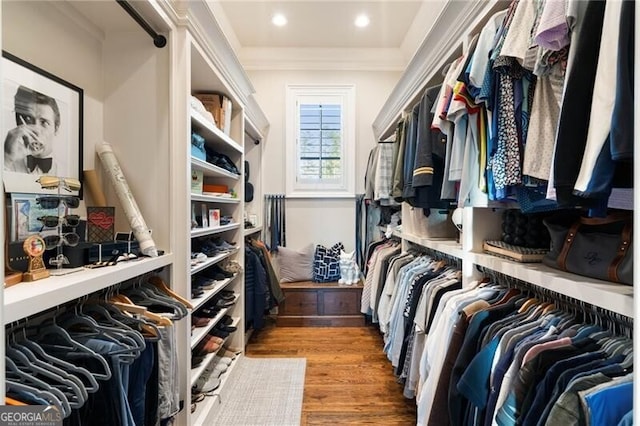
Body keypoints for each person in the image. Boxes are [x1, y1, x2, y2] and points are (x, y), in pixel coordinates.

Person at [4, 85, 61, 175]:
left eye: (44, 122)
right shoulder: (6, 164)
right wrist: (7, 159)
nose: (36, 130)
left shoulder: (67, 170)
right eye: (28, 120)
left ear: (56, 129)